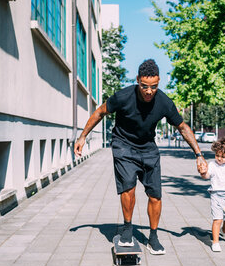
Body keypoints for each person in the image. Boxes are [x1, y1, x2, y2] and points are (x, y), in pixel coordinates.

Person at [74, 59, 207, 254]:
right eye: (144, 86)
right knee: (128, 187)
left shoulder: (164, 102)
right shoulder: (124, 96)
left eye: (153, 87)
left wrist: (199, 155)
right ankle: (127, 228)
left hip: (148, 148)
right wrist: (83, 136)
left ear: (159, 82)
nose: (148, 91)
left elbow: (183, 127)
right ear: (138, 80)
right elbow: (100, 112)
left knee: (155, 195)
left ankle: (153, 237)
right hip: (123, 146)